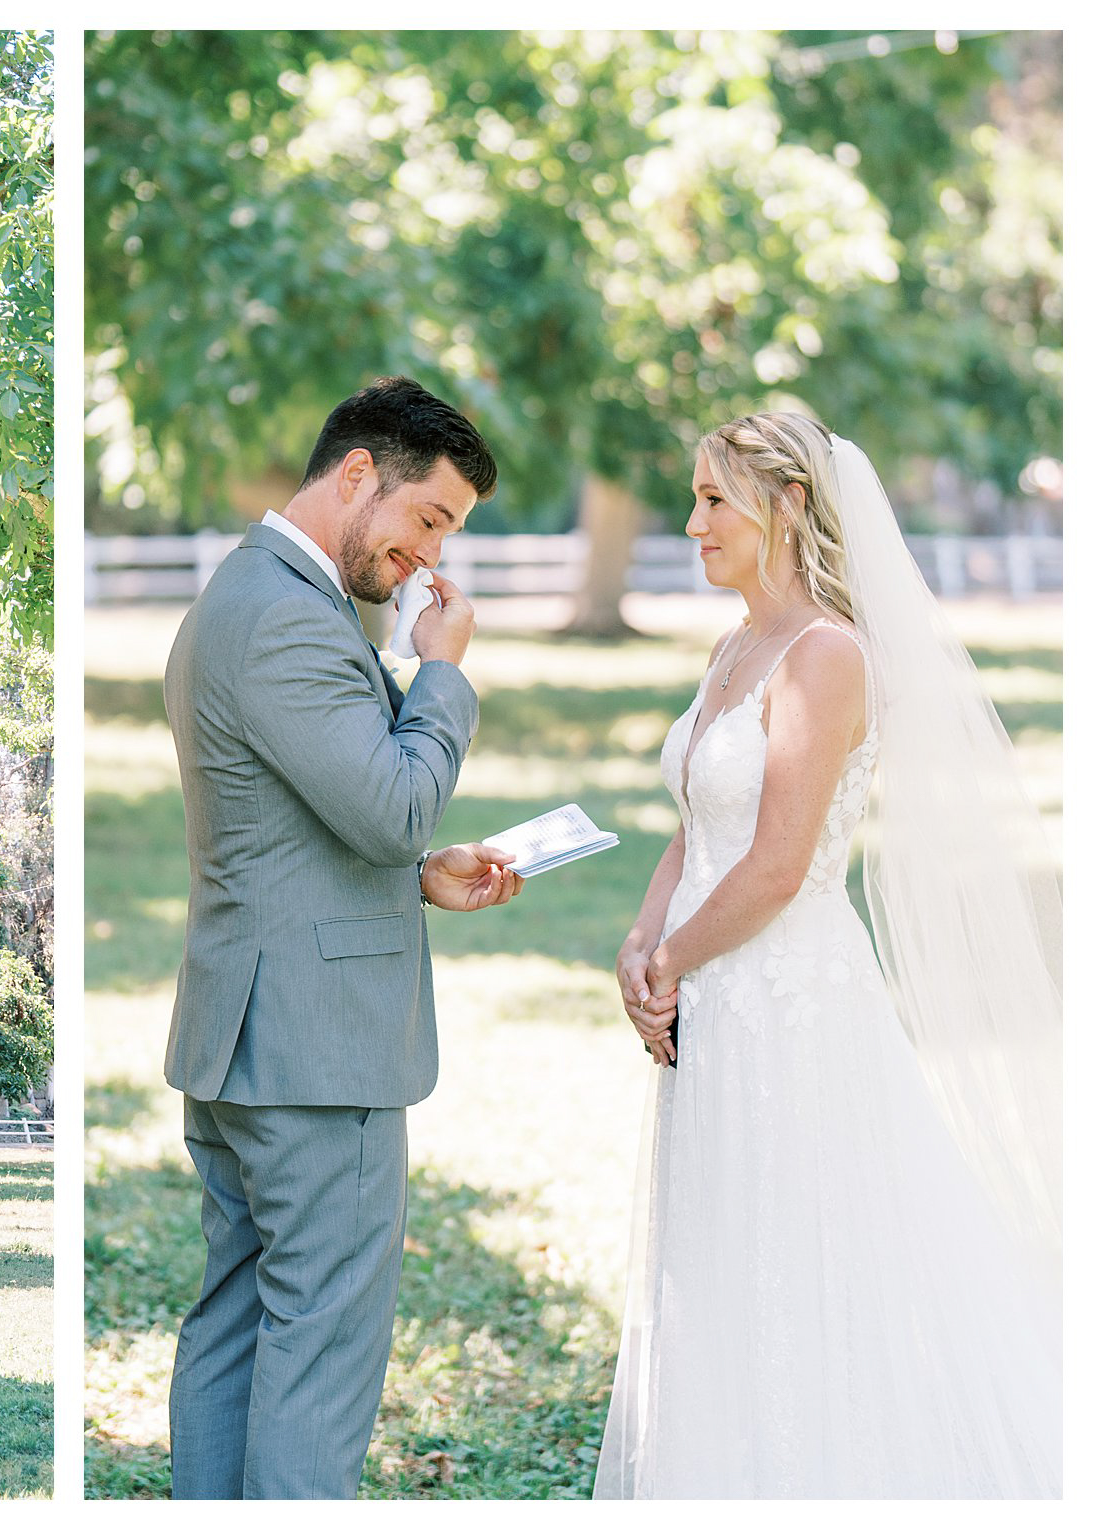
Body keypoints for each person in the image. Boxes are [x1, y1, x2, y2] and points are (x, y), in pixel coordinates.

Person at [597, 412, 1062, 1497]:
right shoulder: (733, 648)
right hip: (713, 985)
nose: (690, 521)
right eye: (695, 498)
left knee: (804, 1249)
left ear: (787, 504)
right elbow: (692, 826)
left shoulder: (825, 657)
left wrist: (666, 965)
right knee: (719, 1248)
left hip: (786, 992)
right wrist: (636, 940)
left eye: (713, 499)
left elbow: (773, 863)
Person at [162, 376, 524, 1499]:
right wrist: (444, 672)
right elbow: (391, 802)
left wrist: (414, 878)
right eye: (429, 519)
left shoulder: (259, 595)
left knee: (235, 1321)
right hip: (314, 1054)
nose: (426, 557)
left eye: (446, 535)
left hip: (248, 1035)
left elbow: (299, 821)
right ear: (357, 472)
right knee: (318, 1346)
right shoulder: (282, 612)